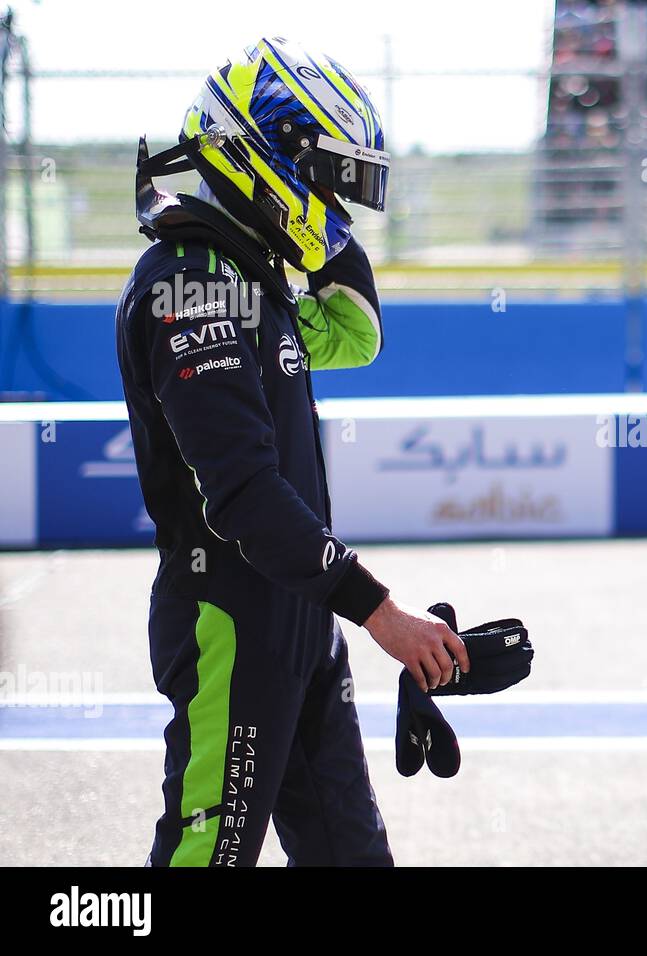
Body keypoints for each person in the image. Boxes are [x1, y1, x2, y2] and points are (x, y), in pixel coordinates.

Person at [116, 37, 467, 867]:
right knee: (206, 857)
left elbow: (357, 333)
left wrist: (311, 227)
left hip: (304, 621)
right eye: (329, 180)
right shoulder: (187, 282)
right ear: (263, 154)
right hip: (231, 624)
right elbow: (243, 493)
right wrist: (382, 612)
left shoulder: (254, 278)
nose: (339, 207)